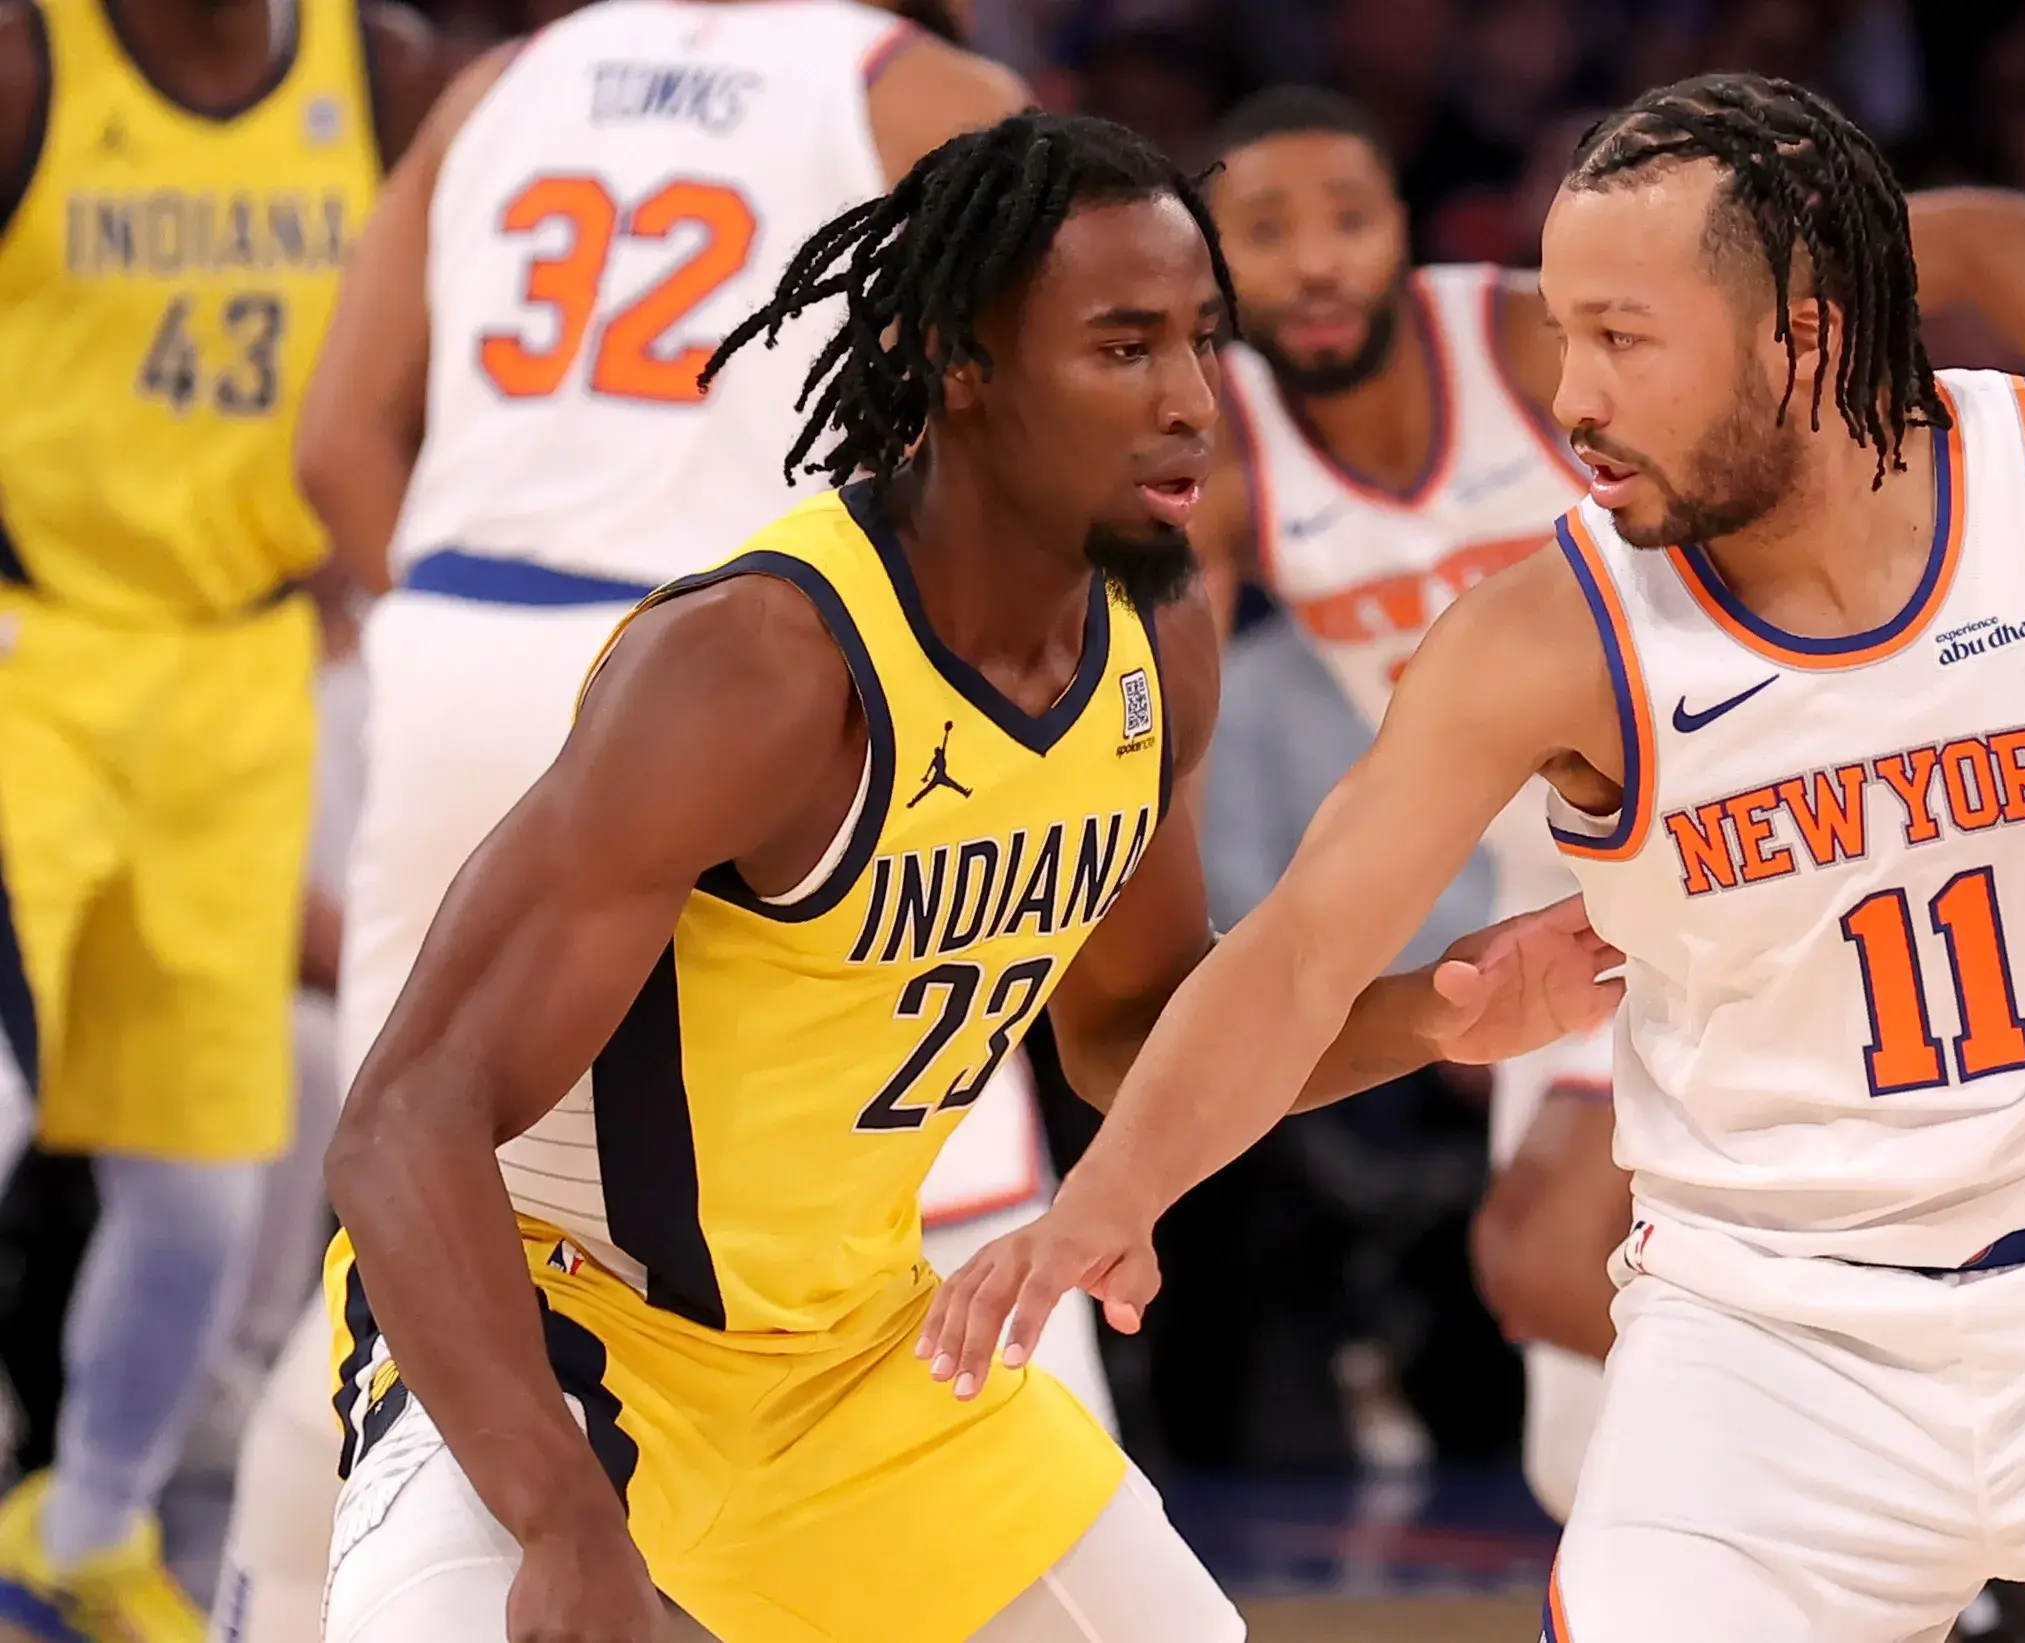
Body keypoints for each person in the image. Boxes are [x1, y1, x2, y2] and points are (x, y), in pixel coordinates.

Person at [942, 73, 2025, 1642]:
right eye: (1565, 334)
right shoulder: (1546, 637)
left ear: (1804, 335)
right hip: (1771, 1344)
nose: (1569, 396)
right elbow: (1298, 953)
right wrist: (1111, 1197)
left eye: (1623, 341)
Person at [314, 111, 1613, 1642]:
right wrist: (557, 1513)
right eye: (1124, 349)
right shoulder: (757, 669)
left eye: (1203, 342)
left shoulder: (1155, 644)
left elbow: (1132, 1037)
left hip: (852, 1355)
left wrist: (1435, 1014)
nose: (1193, 400)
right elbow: (403, 1118)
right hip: (567, 1335)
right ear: (959, 359)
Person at [1195, 81, 2025, 1524]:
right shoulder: (1231, 459)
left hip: (1737, 828)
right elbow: (1166, 726)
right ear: (1218, 266)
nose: (1318, 260)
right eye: (1267, 231)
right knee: (1570, 1444)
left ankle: (1965, 1510)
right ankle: (1929, 1533)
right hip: (1570, 899)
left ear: (1404, 226)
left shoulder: (1537, 340)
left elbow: (1995, 239)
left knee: (1543, 1256)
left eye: (1348, 217)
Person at [211, 6, 1051, 1639]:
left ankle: (266, 1606)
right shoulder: (927, 91)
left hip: (465, 644)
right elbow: (1017, 441)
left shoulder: (496, 84)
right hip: (755, 678)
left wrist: (470, 646)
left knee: (407, 1205)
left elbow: (332, 444)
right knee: (912, 1205)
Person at [0, 0, 455, 1626]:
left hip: (242, 672)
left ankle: (88, 1526)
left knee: (198, 1184)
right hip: (31, 647)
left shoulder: (379, 68)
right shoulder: (32, 60)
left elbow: (433, 341)